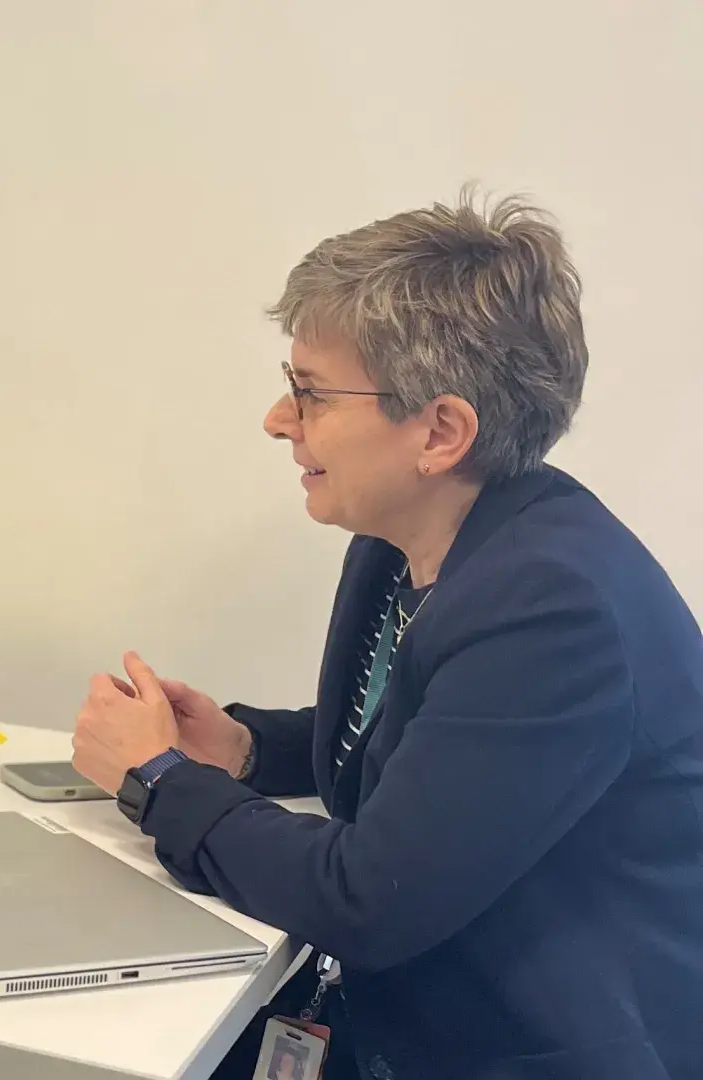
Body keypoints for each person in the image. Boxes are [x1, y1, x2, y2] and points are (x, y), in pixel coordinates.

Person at [71, 193, 703, 1079]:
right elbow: (435, 742)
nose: (278, 418)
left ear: (440, 432)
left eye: (311, 394)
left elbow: (367, 898)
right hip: (414, 1019)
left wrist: (160, 781)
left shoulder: (554, 609)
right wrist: (247, 751)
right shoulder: (410, 541)